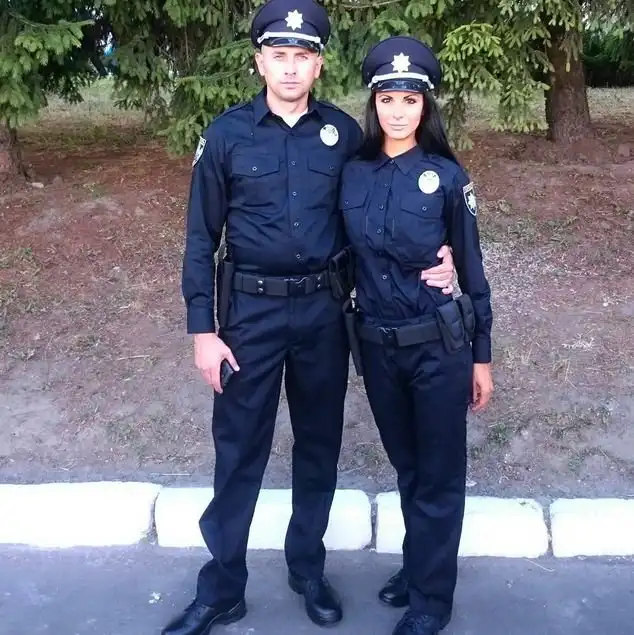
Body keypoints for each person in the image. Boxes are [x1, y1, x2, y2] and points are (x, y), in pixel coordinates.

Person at [164, 1, 457, 633]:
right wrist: (203, 331)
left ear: (319, 66)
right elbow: (199, 238)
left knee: (318, 446)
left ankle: (308, 568)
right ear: (259, 62)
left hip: (324, 314)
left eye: (303, 57)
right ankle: (222, 587)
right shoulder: (226, 136)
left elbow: (388, 204)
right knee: (238, 450)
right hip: (249, 317)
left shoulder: (345, 136)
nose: (291, 68)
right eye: (279, 56)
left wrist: (447, 252)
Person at [339, 36, 494, 635]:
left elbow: (472, 272)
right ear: (373, 103)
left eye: (410, 99)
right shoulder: (352, 173)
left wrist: (482, 358)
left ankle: (431, 600)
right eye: (387, 99)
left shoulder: (447, 177)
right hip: (378, 348)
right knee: (409, 470)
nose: (398, 111)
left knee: (439, 477)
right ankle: (419, 564)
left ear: (425, 106)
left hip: (438, 348)